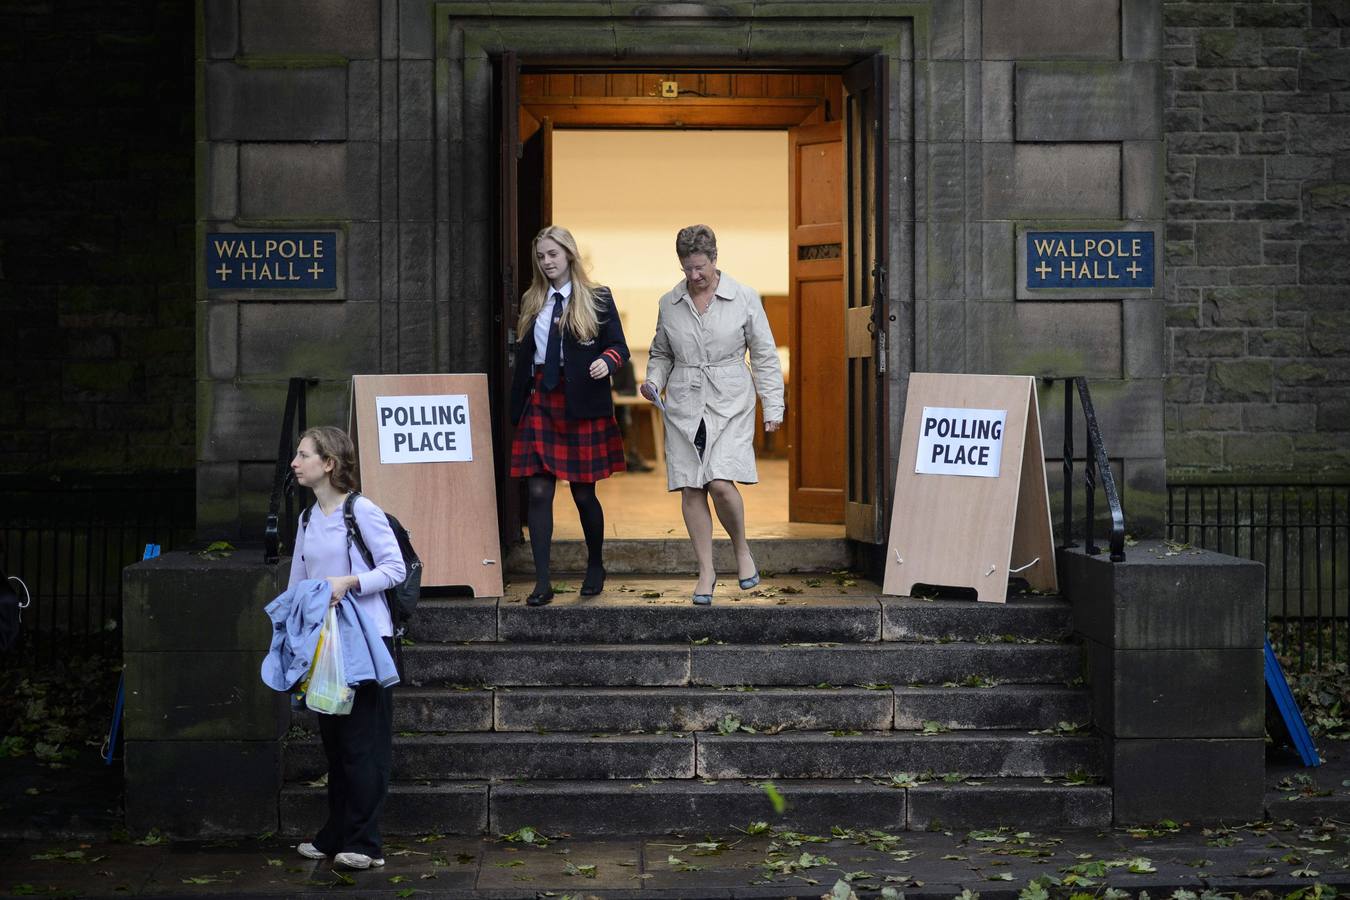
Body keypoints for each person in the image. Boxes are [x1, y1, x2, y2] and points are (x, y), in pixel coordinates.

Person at [642, 224, 784, 605]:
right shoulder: (668, 303)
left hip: (731, 397)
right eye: (687, 268)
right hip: (685, 401)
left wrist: (773, 405)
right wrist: (653, 381)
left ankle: (741, 550)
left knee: (720, 481)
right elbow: (661, 352)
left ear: (715, 258)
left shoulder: (744, 298)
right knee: (691, 485)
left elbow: (765, 355)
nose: (694, 276)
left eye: (700, 267)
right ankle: (706, 569)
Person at [287, 426, 405, 870]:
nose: (295, 464)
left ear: (329, 463)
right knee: (335, 742)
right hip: (325, 644)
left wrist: (349, 582)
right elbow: (298, 580)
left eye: (303, 456)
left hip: (366, 642)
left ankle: (364, 841)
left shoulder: (361, 510)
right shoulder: (307, 518)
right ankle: (335, 834)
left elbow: (395, 570)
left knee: (363, 743)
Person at [508, 225, 630, 606]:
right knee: (539, 490)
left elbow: (619, 347)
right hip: (541, 398)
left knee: (582, 493)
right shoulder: (532, 300)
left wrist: (605, 363)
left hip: (581, 401)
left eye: (553, 255)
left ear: (569, 255)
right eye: (541, 256)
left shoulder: (596, 297)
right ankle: (542, 582)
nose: (547, 262)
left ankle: (595, 564)